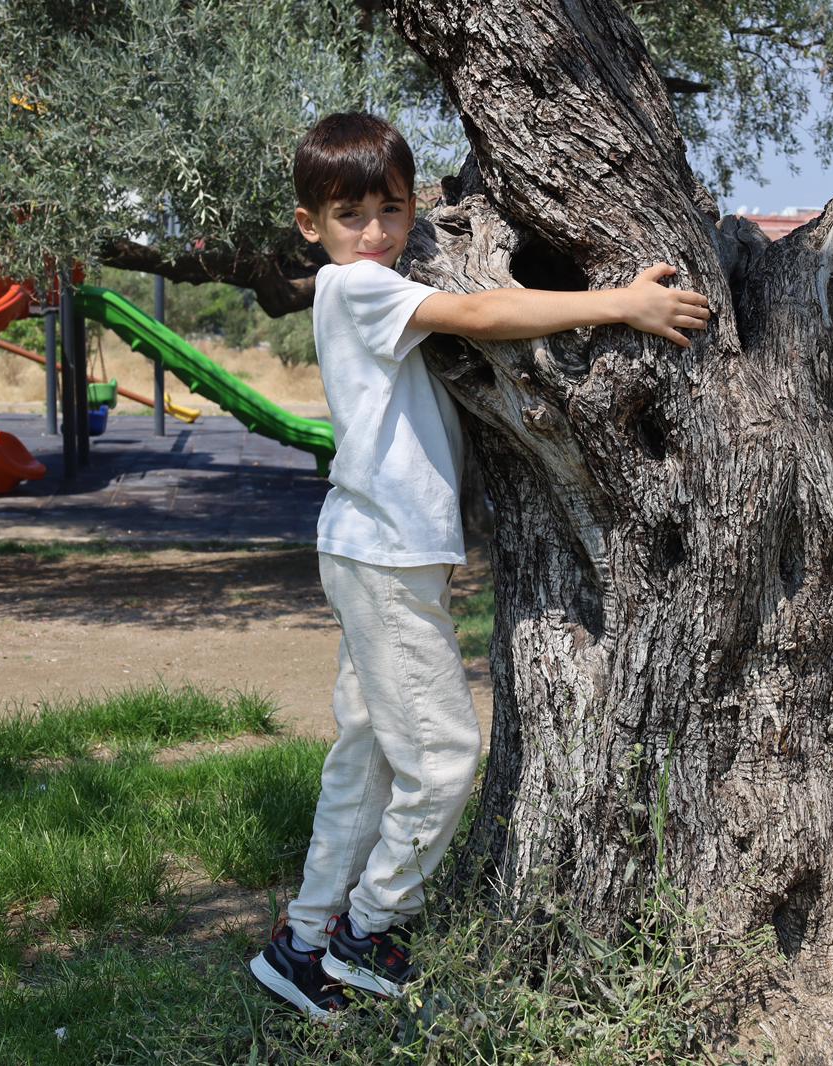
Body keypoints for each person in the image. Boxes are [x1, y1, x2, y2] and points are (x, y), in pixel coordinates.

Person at [247, 111, 711, 1019]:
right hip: (380, 556)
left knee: (371, 754)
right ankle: (370, 930)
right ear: (311, 226)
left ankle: (302, 945)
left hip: (371, 552)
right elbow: (478, 313)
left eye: (392, 210)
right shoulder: (354, 288)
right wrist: (617, 304)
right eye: (351, 215)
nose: (376, 232)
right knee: (448, 755)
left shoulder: (371, 283)